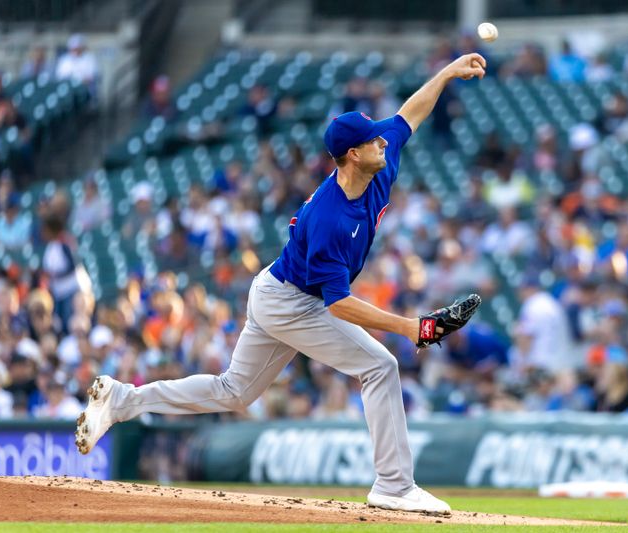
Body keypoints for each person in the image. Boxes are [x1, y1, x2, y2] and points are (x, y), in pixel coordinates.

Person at [74, 52, 488, 514]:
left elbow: (411, 112)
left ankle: (122, 399)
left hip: (277, 289)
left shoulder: (377, 160)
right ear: (353, 154)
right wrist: (413, 327)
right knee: (380, 367)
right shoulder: (329, 217)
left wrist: (448, 73)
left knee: (235, 392)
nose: (384, 143)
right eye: (373, 141)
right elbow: (339, 305)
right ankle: (393, 485)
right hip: (293, 302)